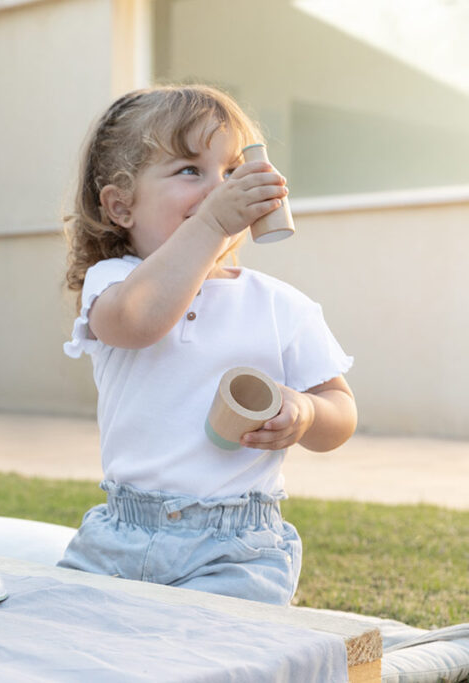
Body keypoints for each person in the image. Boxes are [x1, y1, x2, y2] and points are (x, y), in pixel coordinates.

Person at [59, 85, 357, 605]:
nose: (219, 190)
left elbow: (341, 410)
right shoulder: (113, 283)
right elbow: (139, 321)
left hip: (237, 549)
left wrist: (307, 412)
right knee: (64, 636)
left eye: (231, 173)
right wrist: (213, 221)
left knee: (217, 655)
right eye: (190, 171)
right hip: (120, 536)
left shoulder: (279, 305)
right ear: (120, 205)